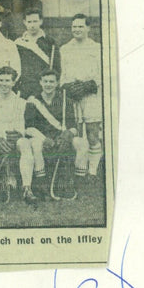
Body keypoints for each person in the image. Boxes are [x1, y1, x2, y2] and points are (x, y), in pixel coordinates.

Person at [0, 66, 39, 205]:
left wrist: (16, 135)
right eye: (1, 80)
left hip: (12, 143)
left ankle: (27, 188)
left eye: (7, 80)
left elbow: (21, 126)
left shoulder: (21, 102)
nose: (3, 84)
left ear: (13, 82)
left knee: (24, 143)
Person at [25, 69, 89, 198]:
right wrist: (44, 139)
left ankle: (76, 183)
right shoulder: (33, 101)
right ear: (40, 83)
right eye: (45, 81)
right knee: (36, 145)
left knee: (82, 143)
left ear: (57, 83)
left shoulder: (65, 100)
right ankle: (41, 184)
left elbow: (73, 127)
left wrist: (67, 135)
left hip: (61, 137)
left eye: (51, 82)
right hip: (40, 137)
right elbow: (28, 128)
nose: (48, 84)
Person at [59, 13, 103, 178]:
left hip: (90, 95)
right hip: (73, 95)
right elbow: (62, 75)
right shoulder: (65, 49)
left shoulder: (96, 48)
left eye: (80, 26)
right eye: (74, 27)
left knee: (92, 132)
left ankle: (92, 170)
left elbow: (101, 74)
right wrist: (69, 87)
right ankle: (78, 168)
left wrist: (87, 85)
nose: (77, 30)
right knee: (75, 133)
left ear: (88, 28)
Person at [14, 7, 61, 100]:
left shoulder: (50, 42)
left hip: (44, 90)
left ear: (41, 21)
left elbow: (56, 68)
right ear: (24, 22)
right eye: (29, 22)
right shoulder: (18, 43)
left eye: (35, 21)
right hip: (24, 89)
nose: (32, 25)